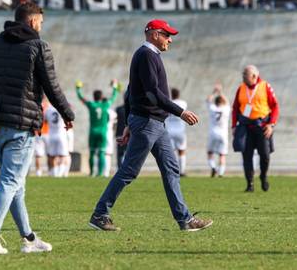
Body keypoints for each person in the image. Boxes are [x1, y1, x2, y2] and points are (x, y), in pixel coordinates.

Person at [0, 1, 75, 254]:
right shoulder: (38, 46)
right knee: (11, 180)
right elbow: (51, 86)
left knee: (16, 185)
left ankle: (29, 239)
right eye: (41, 23)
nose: (41, 27)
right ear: (33, 22)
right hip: (21, 125)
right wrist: (67, 113)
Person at [89, 19, 212, 232]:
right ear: (154, 34)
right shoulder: (146, 55)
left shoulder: (149, 55)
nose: (170, 40)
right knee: (129, 170)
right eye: (166, 35)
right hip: (148, 122)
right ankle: (100, 214)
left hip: (154, 123)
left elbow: (130, 92)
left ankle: (185, 220)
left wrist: (128, 122)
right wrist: (180, 112)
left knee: (171, 168)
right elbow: (153, 93)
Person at [232, 65, 279, 192]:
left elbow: (275, 106)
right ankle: (250, 183)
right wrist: (234, 126)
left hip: (262, 126)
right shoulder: (241, 88)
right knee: (246, 155)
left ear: (254, 76)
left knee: (265, 155)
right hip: (245, 127)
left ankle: (263, 176)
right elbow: (235, 108)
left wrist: (271, 124)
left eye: (244, 74)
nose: (242, 77)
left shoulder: (265, 86)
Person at [76, 79, 119, 177]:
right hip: (103, 132)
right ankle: (100, 173)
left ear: (94, 97)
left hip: (93, 131)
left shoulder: (91, 105)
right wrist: (115, 87)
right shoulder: (105, 104)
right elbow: (114, 96)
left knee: (92, 152)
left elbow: (81, 97)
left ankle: (91, 173)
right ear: (101, 97)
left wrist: (78, 89)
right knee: (101, 153)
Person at [206, 85, 230, 178]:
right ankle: (221, 173)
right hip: (223, 134)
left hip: (213, 133)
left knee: (210, 152)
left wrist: (214, 92)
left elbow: (208, 100)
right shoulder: (226, 109)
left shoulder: (213, 108)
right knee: (222, 154)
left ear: (215, 102)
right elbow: (227, 102)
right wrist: (220, 92)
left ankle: (213, 167)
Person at [165, 88, 188, 176]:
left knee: (171, 152)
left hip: (169, 130)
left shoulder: (168, 102)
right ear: (178, 95)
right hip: (180, 131)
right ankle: (182, 171)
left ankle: (171, 170)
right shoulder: (183, 103)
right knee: (181, 151)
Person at [45, 102, 71, 177]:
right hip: (61, 135)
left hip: (51, 135)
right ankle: (60, 173)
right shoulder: (62, 109)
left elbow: (45, 121)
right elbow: (68, 119)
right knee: (63, 155)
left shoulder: (48, 109)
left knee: (52, 156)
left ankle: (55, 174)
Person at [114, 100, 127, 169]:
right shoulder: (133, 109)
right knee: (129, 153)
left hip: (119, 133)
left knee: (120, 154)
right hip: (129, 135)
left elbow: (115, 121)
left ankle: (119, 170)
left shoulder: (118, 109)